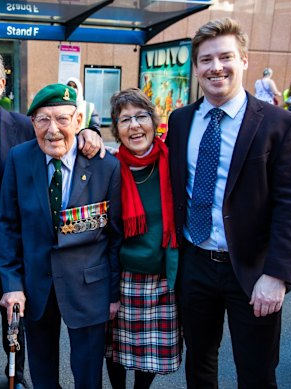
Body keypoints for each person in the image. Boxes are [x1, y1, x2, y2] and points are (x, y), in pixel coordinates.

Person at [0, 45, 104, 389]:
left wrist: (88, 134)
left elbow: (63, 133)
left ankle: (14, 374)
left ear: (2, 85)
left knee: (17, 320)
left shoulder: (27, 126)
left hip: (21, 248)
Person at [167, 18, 291, 388]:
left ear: (244, 60)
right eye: (205, 60)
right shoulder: (180, 121)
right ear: (196, 68)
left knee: (257, 371)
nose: (216, 67)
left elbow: (290, 205)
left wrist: (276, 275)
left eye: (225, 57)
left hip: (252, 270)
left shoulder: (281, 125)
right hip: (194, 264)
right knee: (199, 364)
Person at [0, 83, 122, 389]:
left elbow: (115, 236)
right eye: (43, 120)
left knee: (88, 374)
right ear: (32, 124)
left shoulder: (105, 165)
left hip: (89, 286)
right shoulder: (19, 159)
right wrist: (12, 285)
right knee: (42, 373)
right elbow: (8, 226)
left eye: (62, 119)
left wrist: (113, 293)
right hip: (36, 284)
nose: (52, 130)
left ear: (78, 121)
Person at [105, 88, 181, 389]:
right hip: (121, 276)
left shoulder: (174, 163)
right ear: (116, 129)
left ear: (154, 121)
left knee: (151, 353)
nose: (135, 126)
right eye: (125, 120)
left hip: (163, 275)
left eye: (141, 116)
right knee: (115, 349)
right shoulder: (108, 166)